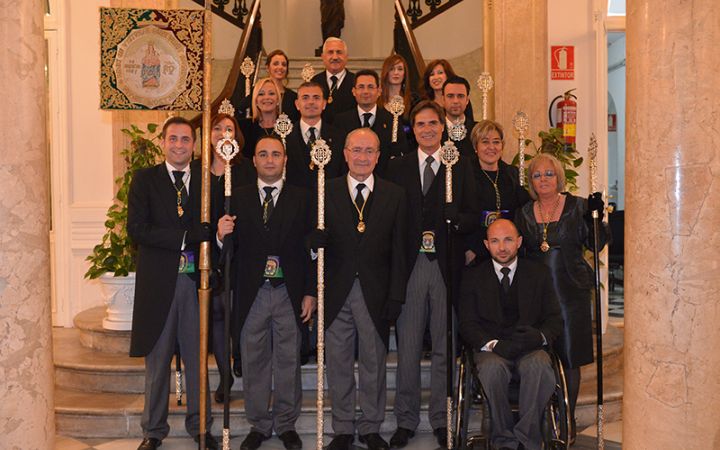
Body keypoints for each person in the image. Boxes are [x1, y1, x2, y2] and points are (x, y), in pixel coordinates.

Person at [385, 100, 479, 449]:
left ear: (444, 127)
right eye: (421, 124)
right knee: (408, 348)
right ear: (414, 129)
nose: (427, 129)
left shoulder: (460, 165)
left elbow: (472, 214)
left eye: (433, 124)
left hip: (445, 266)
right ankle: (405, 420)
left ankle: (442, 418)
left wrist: (460, 219)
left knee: (443, 346)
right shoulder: (398, 167)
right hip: (410, 267)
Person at [216, 135, 317, 450]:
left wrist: (311, 292)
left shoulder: (303, 197)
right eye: (263, 154)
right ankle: (258, 424)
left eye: (276, 154)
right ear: (254, 160)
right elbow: (228, 250)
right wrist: (221, 236)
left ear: (285, 159)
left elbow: (311, 250)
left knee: (288, 359)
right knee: (254, 359)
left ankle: (286, 424)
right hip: (251, 292)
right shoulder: (237, 196)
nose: (270, 159)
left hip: (289, 291)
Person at [309, 128, 407, 450]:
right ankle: (342, 428)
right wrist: (314, 245)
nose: (362, 157)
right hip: (336, 290)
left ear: (378, 157)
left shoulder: (394, 194)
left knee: (373, 362)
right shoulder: (327, 189)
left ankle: (370, 426)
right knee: (337, 361)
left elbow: (399, 250)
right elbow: (310, 241)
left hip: (376, 292)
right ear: (345, 154)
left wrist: (396, 295)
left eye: (369, 151)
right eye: (356, 150)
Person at [127, 116, 217, 450]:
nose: (179, 145)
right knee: (157, 360)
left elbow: (215, 230)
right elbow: (136, 230)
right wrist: (184, 237)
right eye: (173, 139)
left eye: (186, 139)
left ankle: (201, 427)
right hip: (159, 284)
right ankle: (153, 430)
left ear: (195, 145)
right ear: (163, 143)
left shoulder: (207, 182)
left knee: (197, 361)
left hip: (197, 284)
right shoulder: (144, 180)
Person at [513, 153, 608, 442]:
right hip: (537, 297)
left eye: (549, 174)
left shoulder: (578, 206)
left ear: (559, 177)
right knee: (538, 357)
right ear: (531, 182)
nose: (543, 179)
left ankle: (567, 419)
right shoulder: (524, 212)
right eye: (537, 175)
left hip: (571, 294)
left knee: (570, 357)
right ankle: (541, 416)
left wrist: (597, 218)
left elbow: (597, 243)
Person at [459, 218, 563, 450]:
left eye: (508, 240)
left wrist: (540, 336)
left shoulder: (539, 273)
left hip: (531, 346)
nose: (502, 247)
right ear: (486, 245)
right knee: (492, 369)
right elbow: (467, 324)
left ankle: (528, 439)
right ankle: (504, 440)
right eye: (495, 241)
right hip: (493, 349)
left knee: (538, 365)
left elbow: (554, 318)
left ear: (519, 242)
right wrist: (492, 344)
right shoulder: (472, 277)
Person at [209, 111, 256, 403]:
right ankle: (224, 373)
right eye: (217, 128)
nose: (223, 133)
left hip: (241, 252)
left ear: (236, 137)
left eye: (229, 128)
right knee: (215, 312)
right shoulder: (197, 170)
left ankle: (239, 354)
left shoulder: (247, 170)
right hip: (209, 252)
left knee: (237, 310)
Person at [464, 120, 531, 266]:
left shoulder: (511, 173)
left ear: (502, 146)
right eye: (485, 142)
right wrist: (471, 248)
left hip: (508, 250)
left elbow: (524, 210)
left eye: (496, 142)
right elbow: (462, 214)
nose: (491, 147)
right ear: (476, 147)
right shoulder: (465, 174)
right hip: (476, 250)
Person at [334, 69, 408, 176]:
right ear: (353, 91)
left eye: (370, 87)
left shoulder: (392, 121)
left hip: (384, 183)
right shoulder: (340, 121)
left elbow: (400, 155)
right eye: (361, 87)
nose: (365, 92)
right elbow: (338, 158)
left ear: (379, 91)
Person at [284, 81, 345, 191]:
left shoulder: (339, 136)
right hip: (295, 200)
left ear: (324, 104)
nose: (311, 102)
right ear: (297, 104)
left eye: (316, 98)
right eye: (305, 98)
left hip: (329, 198)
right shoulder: (285, 136)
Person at [311, 37, 357, 123]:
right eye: (330, 52)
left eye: (339, 52)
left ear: (346, 57)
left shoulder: (356, 82)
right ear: (323, 57)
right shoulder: (314, 82)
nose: (335, 57)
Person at [378, 54, 417, 153]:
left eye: (400, 69)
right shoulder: (377, 101)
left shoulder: (413, 100)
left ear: (405, 73)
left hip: (408, 152)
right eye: (392, 69)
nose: (396, 73)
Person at [238, 77, 283, 159]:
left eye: (271, 93)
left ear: (278, 100)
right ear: (256, 100)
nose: (266, 97)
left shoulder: (288, 127)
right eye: (261, 94)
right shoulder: (244, 128)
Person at [441, 76, 477, 158]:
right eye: (450, 96)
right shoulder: (435, 130)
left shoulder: (477, 131)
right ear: (443, 99)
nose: (455, 101)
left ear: (467, 100)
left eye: (460, 96)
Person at [265, 49, 300, 122]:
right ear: (267, 68)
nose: (280, 67)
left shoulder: (293, 97)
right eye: (276, 64)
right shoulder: (258, 93)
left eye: (284, 64)